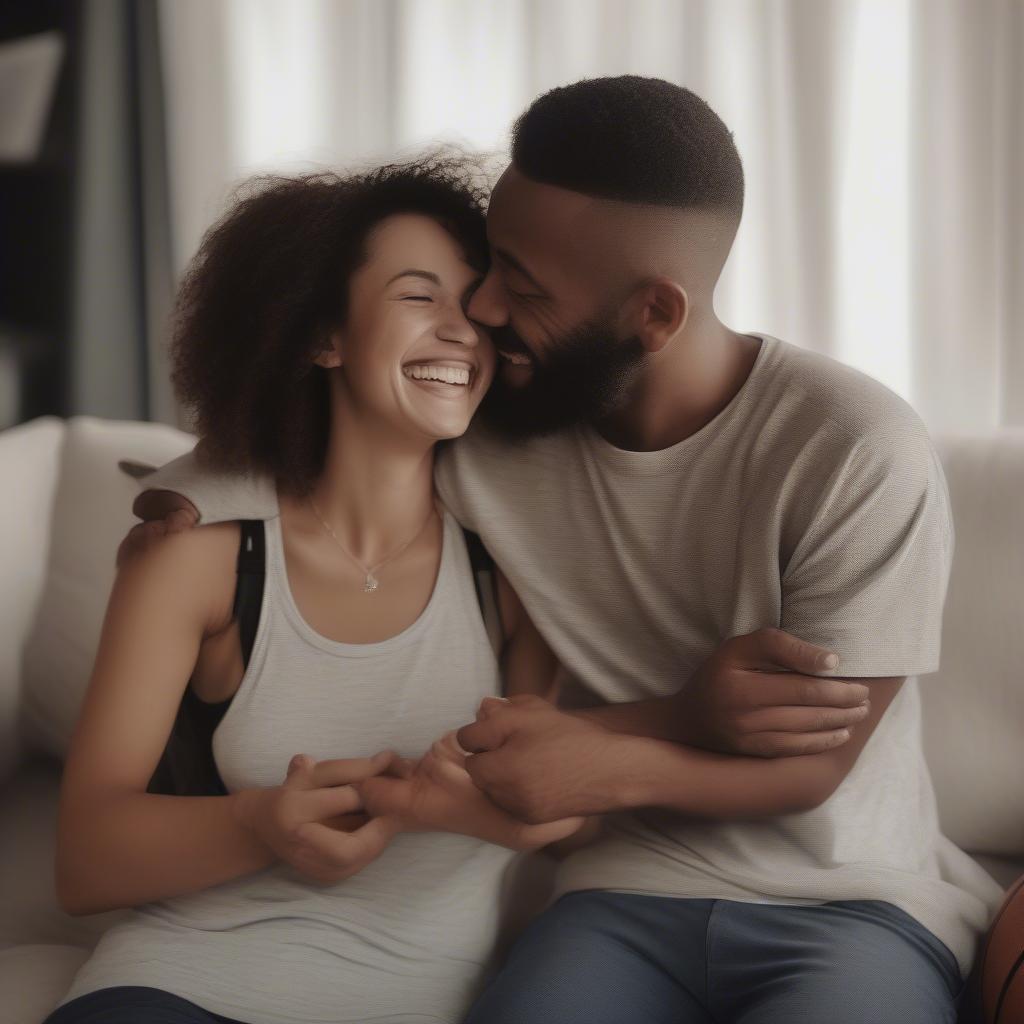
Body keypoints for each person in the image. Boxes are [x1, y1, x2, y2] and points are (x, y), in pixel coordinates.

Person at [125, 77, 1004, 1024]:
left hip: (854, 902)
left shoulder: (854, 447)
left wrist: (610, 761)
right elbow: (332, 427)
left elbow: (809, 768)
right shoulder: (503, 413)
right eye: (490, 262)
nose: (487, 309)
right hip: (617, 894)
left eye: (525, 285)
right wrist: (194, 488)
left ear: (654, 315)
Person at [45, 155, 587, 1024]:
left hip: (414, 993)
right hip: (177, 983)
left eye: (476, 304)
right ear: (319, 337)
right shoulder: (195, 559)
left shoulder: (520, 566)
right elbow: (85, 859)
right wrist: (258, 823)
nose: (462, 332)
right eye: (419, 297)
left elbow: (576, 805)